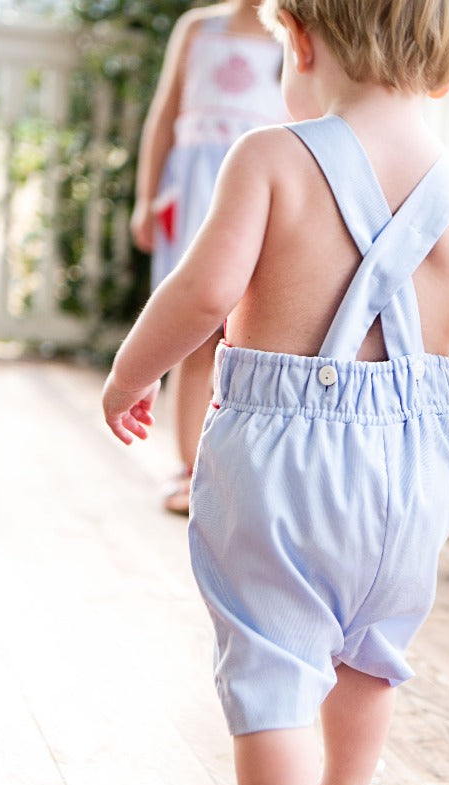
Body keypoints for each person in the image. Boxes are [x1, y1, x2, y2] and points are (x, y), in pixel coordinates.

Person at [103, 0, 449, 785]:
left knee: (270, 663)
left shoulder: (268, 157)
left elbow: (202, 291)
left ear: (301, 41)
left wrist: (130, 375)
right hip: (413, 473)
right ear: (444, 62)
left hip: (281, 459)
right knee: (366, 648)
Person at [130, 0, 286, 514]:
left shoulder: (294, 33)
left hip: (262, 201)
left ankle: (238, 477)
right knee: (193, 333)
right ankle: (189, 471)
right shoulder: (198, 28)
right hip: (194, 195)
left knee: (245, 332)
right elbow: (164, 117)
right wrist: (146, 199)